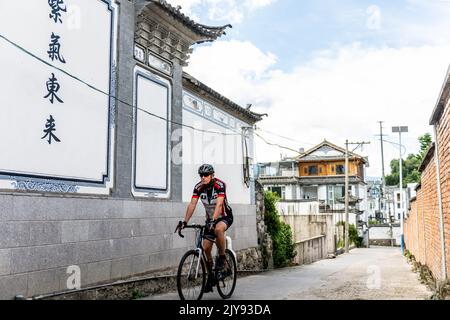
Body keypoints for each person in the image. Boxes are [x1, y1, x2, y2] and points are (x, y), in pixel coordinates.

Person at [180, 164, 233, 292]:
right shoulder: (198, 188)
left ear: (212, 175)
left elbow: (220, 204)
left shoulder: (220, 185)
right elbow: (192, 204)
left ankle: (221, 257)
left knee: (218, 229)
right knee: (205, 248)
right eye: (201, 175)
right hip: (210, 220)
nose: (203, 177)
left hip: (224, 217)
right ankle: (211, 277)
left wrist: (214, 220)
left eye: (206, 175)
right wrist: (185, 221)